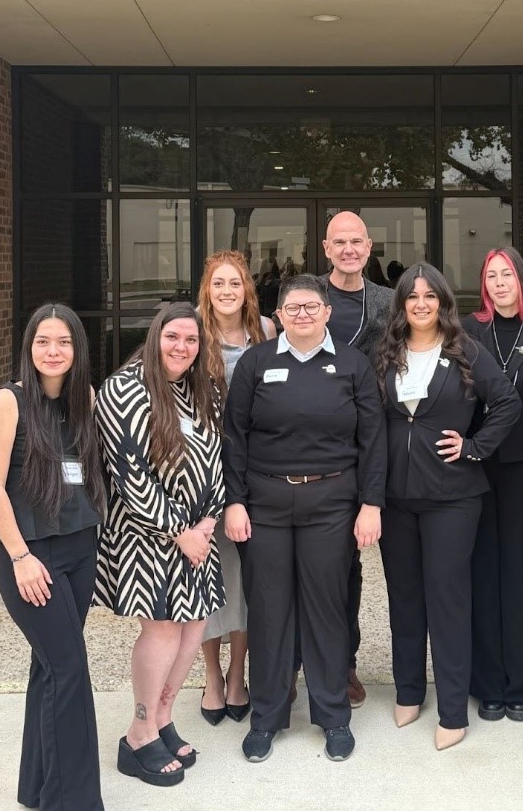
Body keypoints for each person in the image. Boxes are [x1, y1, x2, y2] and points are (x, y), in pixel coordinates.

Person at [222, 273, 387, 764]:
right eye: (292, 308)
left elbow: (373, 441)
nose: (302, 315)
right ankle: (267, 717)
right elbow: (234, 436)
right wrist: (234, 501)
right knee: (269, 612)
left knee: (326, 609)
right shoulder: (257, 362)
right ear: (279, 315)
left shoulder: (352, 365)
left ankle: (333, 714)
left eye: (311, 307)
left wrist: (372, 504)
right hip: (266, 506)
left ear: (327, 313)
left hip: (332, 504)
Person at [376, 264, 522, 751]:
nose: (420, 304)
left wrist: (475, 446)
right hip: (397, 497)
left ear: (442, 302)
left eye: (429, 296)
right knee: (404, 596)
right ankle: (409, 690)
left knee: (448, 599)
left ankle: (454, 708)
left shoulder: (465, 351)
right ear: (401, 305)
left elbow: (507, 402)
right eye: (411, 297)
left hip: (453, 498)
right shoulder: (386, 353)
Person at [0, 303, 105, 811]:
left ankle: (36, 787)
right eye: (42, 342)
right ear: (28, 348)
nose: (53, 352)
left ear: (77, 349)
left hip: (80, 551)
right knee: (70, 671)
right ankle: (70, 801)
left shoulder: (85, 401)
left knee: (50, 669)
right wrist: (19, 556)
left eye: (64, 342)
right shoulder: (8, 402)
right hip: (32, 558)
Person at [94, 302, 225, 788]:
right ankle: (138, 735)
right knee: (164, 630)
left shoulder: (201, 388)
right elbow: (131, 476)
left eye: (191, 340)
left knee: (195, 626)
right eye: (173, 337)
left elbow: (217, 454)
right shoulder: (124, 389)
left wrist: (208, 520)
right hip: (149, 537)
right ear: (156, 338)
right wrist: (180, 531)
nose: (182, 347)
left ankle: (164, 718)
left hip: (198, 534)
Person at [463, 246, 523, 721]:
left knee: (521, 573)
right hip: (475, 464)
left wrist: (521, 440)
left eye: (507, 274)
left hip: (521, 465)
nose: (499, 282)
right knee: (482, 570)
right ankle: (488, 685)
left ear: (521, 279)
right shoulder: (468, 329)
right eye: (491, 275)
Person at [196, 250, 276, 727]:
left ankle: (237, 675)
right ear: (207, 289)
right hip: (204, 471)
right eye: (218, 284)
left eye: (235, 283)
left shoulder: (266, 331)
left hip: (254, 468)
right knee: (207, 574)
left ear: (247, 288)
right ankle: (209, 675)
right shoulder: (192, 332)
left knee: (245, 578)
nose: (227, 291)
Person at [321, 209, 394, 706]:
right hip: (307, 449)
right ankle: (295, 662)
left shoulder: (390, 303)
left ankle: (345, 664)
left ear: (370, 248)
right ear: (326, 248)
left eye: (357, 242)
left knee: (348, 568)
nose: (349, 249)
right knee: (298, 568)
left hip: (364, 446)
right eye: (339, 242)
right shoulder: (304, 300)